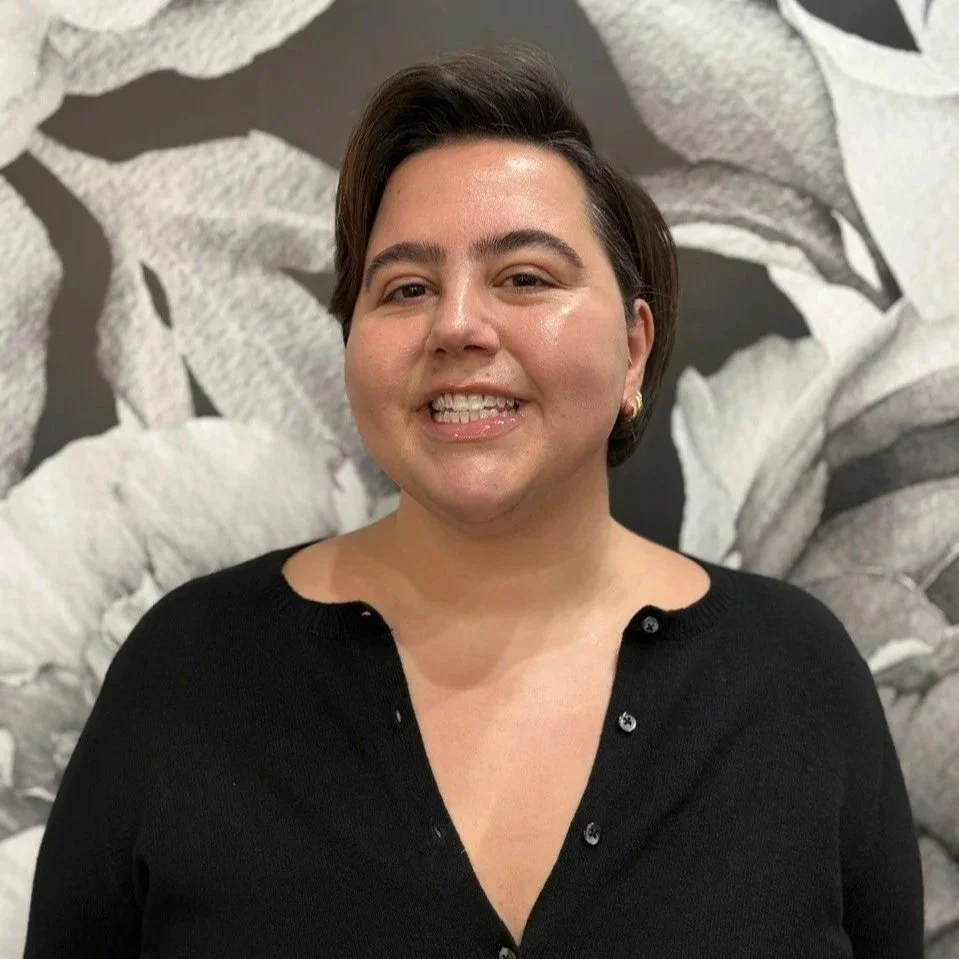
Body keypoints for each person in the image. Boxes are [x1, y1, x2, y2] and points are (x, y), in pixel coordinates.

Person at [23, 41, 923, 958]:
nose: (456, 325)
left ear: (633, 349)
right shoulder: (189, 670)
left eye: (524, 278)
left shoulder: (795, 678)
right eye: (406, 288)